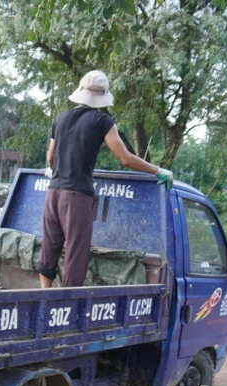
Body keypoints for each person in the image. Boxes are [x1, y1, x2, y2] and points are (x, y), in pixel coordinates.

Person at [37, 70, 172, 288]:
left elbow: (50, 157)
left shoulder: (60, 119)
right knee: (75, 251)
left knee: (50, 246)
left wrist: (57, 171)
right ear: (102, 98)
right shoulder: (103, 121)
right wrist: (157, 170)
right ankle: (67, 304)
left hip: (53, 192)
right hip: (77, 196)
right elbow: (125, 158)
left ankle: (45, 293)